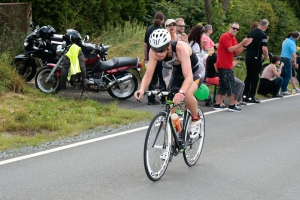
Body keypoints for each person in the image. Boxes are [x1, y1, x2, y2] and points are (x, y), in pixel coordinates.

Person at [134, 29, 203, 140]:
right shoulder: (154, 52)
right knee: (169, 115)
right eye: (155, 49)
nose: (158, 53)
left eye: (161, 50)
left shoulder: (180, 49)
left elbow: (189, 76)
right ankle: (170, 145)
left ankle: (196, 118)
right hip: (177, 73)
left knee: (188, 95)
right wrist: (141, 89)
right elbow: (148, 74)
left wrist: (181, 92)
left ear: (168, 46)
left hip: (195, 72)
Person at [213, 22, 252, 112]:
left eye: (237, 29)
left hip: (226, 64)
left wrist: (244, 45)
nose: (235, 30)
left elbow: (237, 52)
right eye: (233, 28)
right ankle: (231, 105)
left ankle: (217, 104)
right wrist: (242, 42)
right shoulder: (225, 36)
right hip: (224, 65)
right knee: (231, 85)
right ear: (230, 28)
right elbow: (230, 49)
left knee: (223, 85)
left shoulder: (233, 38)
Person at [243, 19, 269, 103]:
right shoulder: (263, 35)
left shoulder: (252, 32)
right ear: (265, 26)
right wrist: (267, 56)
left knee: (248, 76)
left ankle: (244, 94)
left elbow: (249, 44)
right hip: (256, 58)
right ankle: (252, 96)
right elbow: (264, 48)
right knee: (255, 77)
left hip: (248, 56)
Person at [143, 12, 166, 105]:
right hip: (160, 58)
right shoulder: (162, 30)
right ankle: (163, 98)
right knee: (162, 78)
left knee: (151, 78)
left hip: (151, 57)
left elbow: (145, 44)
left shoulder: (149, 29)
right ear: (162, 20)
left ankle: (150, 99)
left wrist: (146, 57)